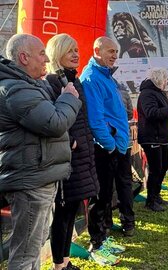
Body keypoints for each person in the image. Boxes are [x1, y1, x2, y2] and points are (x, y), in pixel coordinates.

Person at [0, 33, 81, 270]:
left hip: (37, 177)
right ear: (24, 57)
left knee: (32, 249)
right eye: (41, 53)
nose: (46, 60)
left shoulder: (27, 85)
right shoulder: (16, 89)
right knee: (25, 253)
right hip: (30, 181)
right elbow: (54, 123)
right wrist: (68, 99)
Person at [45, 33, 99, 270]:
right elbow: (51, 120)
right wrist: (71, 142)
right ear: (58, 54)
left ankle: (65, 260)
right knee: (62, 212)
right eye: (70, 51)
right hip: (67, 157)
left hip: (81, 155)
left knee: (71, 209)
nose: (76, 54)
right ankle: (59, 264)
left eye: (77, 50)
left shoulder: (74, 81)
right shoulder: (52, 82)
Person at [80, 36, 135, 258]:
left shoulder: (104, 76)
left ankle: (102, 238)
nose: (114, 56)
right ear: (97, 50)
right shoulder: (92, 77)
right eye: (110, 51)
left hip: (115, 145)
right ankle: (97, 242)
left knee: (106, 196)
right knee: (100, 197)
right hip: (105, 148)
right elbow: (95, 119)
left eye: (116, 52)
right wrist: (111, 145)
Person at [138, 67, 168, 211]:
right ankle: (151, 201)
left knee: (163, 167)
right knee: (155, 169)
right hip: (152, 137)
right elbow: (151, 113)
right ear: (158, 79)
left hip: (160, 138)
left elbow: (165, 110)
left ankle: (156, 196)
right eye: (165, 79)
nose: (166, 82)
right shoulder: (147, 94)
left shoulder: (159, 93)